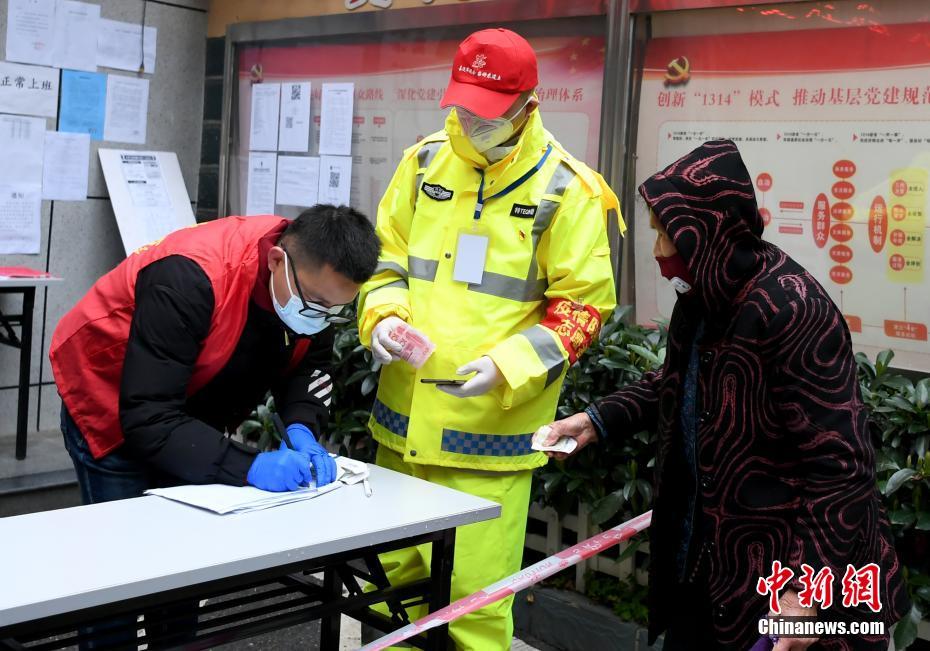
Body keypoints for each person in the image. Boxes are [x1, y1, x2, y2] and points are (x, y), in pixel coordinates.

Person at [540, 140, 910, 650]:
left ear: (708, 231)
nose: (659, 252)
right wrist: (597, 420)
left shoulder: (791, 309)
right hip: (709, 571)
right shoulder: (704, 298)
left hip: (787, 587)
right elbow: (680, 382)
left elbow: (840, 467)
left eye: (667, 235)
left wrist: (804, 595)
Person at [357, 28, 623, 649]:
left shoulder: (568, 189)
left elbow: (584, 306)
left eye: (488, 110)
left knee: (473, 610)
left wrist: (508, 366)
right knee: (388, 599)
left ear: (528, 105)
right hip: (400, 431)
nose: (471, 120)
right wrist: (383, 317)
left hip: (486, 446)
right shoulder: (422, 163)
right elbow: (384, 258)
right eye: (463, 105)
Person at [51, 204, 380, 504]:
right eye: (316, 304)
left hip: (187, 405)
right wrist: (249, 466)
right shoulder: (190, 279)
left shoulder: (311, 287)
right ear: (276, 260)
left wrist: (301, 427)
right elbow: (148, 416)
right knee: (129, 533)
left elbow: (309, 365)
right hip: (110, 388)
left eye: (334, 310)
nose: (321, 319)